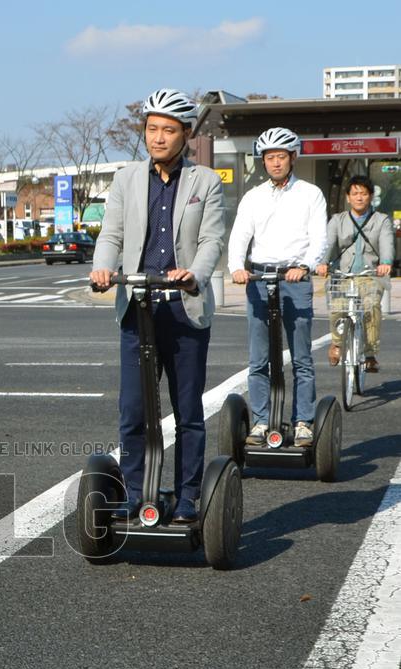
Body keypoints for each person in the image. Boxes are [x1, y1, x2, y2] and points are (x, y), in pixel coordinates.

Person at [90, 88, 225, 523]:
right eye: (152, 129)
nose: (158, 137)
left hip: (183, 310)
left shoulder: (204, 181)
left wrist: (195, 274)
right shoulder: (126, 178)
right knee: (133, 410)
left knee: (188, 412)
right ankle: (135, 493)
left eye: (168, 130)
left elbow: (211, 240)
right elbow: (111, 233)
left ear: (186, 134)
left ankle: (188, 499)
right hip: (137, 308)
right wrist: (102, 268)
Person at [228, 127, 327, 447]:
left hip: (294, 279)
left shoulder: (310, 194)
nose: (274, 163)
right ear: (263, 160)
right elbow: (239, 235)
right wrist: (236, 268)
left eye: (281, 157)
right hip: (258, 280)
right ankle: (259, 422)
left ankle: (303, 422)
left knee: (301, 357)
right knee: (258, 359)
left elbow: (319, 238)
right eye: (269, 157)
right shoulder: (253, 196)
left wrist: (305, 266)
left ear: (293, 157)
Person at [316, 175, 393, 374]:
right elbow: (327, 244)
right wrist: (322, 262)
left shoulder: (381, 220)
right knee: (338, 307)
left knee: (370, 307)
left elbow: (387, 245)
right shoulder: (337, 220)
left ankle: (369, 353)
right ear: (348, 197)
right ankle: (337, 343)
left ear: (371, 196)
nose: (359, 197)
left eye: (364, 194)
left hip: (371, 275)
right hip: (343, 274)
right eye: (355, 193)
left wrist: (385, 263)